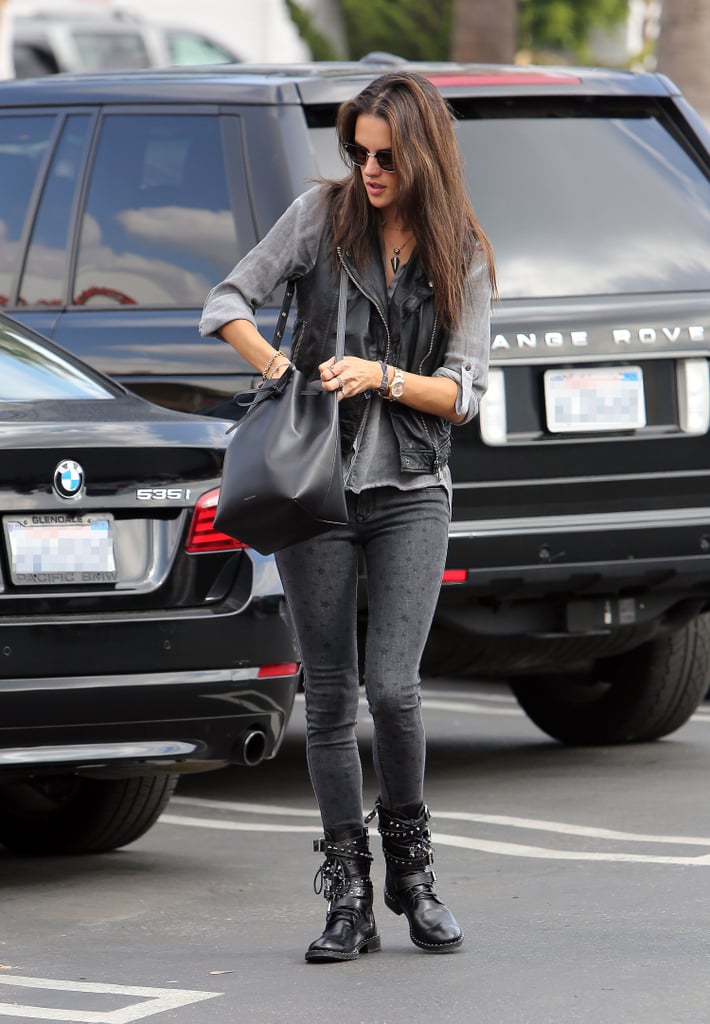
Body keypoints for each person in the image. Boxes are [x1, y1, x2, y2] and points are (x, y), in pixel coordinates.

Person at [199, 70, 496, 963]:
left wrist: (381, 378)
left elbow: (464, 394)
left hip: (411, 489)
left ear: (423, 156)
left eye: (385, 155)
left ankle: (412, 874)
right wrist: (282, 372)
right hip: (313, 492)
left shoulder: (464, 251)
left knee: (394, 691)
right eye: (357, 151)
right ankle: (347, 900)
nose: (368, 168)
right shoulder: (319, 216)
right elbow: (226, 302)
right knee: (327, 697)